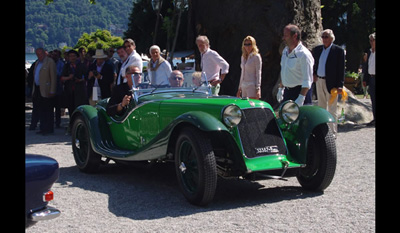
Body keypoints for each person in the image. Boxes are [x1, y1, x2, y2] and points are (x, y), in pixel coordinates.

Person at [312, 29, 345, 137]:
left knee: (332, 108)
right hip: (319, 81)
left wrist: (340, 85)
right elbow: (313, 64)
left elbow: (341, 70)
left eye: (326, 37)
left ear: (331, 38)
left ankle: (332, 132)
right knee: (321, 107)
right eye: (323, 37)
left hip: (332, 84)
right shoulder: (317, 50)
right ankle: (322, 131)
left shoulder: (338, 51)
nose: (324, 39)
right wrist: (314, 74)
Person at [277, 24, 314, 106]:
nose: (283, 38)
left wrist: (301, 98)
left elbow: (307, 80)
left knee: (301, 118)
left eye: (286, 36)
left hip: (300, 93)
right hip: (287, 92)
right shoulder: (285, 52)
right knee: (285, 118)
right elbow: (284, 70)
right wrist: (281, 88)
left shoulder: (304, 54)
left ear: (294, 36)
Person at [31, 48, 57, 135]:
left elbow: (53, 77)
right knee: (40, 109)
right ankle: (43, 127)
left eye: (40, 54)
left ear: (44, 53)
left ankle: (49, 128)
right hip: (38, 88)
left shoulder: (50, 62)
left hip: (47, 89)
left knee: (48, 110)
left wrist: (52, 90)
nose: (39, 56)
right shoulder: (37, 62)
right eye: (37, 54)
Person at [61, 50, 89, 118]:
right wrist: (69, 77)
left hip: (80, 90)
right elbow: (62, 78)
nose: (72, 58)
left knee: (79, 108)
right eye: (70, 56)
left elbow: (87, 77)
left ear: (77, 57)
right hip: (69, 90)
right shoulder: (66, 66)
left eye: (74, 56)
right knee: (71, 108)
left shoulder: (82, 65)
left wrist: (81, 80)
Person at [363, 32, 376, 126]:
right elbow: (367, 66)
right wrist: (365, 79)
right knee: (373, 99)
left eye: (373, 40)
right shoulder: (369, 52)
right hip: (371, 78)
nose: (371, 42)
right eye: (370, 40)